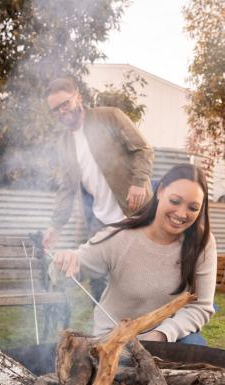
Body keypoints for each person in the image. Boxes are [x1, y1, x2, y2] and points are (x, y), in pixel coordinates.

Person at [52, 164, 216, 344]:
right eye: (175, 201)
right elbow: (70, 270)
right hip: (114, 339)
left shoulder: (202, 243)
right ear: (160, 191)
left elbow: (201, 307)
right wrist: (65, 261)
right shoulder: (121, 236)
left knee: (194, 344)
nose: (182, 213)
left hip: (167, 338)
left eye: (193, 208)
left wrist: (161, 335)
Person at [43, 77, 154, 300]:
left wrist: (139, 182)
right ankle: (105, 329)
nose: (61, 111)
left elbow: (143, 149)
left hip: (135, 210)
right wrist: (55, 226)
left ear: (78, 97)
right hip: (100, 219)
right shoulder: (63, 143)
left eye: (65, 103)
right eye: (55, 109)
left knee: (142, 273)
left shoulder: (110, 117)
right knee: (98, 278)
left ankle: (149, 327)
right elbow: (66, 188)